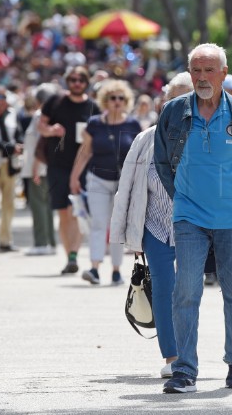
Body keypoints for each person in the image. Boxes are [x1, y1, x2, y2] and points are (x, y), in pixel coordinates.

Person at [154, 43, 232, 394]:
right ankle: (184, 370)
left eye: (208, 70)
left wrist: (228, 192)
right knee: (185, 291)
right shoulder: (172, 112)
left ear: (224, 74)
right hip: (189, 216)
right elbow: (163, 163)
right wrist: (184, 196)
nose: (201, 77)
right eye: (196, 70)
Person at [110, 72, 194, 378]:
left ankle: (188, 353)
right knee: (162, 286)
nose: (182, 104)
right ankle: (172, 357)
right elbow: (128, 187)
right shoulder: (146, 138)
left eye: (189, 98)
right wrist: (128, 234)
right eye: (175, 98)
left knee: (187, 290)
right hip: (155, 225)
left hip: (191, 226)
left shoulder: (204, 137)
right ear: (164, 102)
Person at [70, 79, 142, 285]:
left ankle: (117, 270)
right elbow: (84, 152)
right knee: (99, 224)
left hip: (123, 183)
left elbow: (139, 156)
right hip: (97, 180)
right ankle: (94, 268)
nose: (117, 101)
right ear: (105, 100)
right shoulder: (94, 123)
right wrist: (74, 176)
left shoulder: (133, 124)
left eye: (121, 98)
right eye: (112, 98)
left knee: (117, 225)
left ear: (126, 101)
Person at [37, 66, 100, 274]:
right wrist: (51, 130)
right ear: (67, 81)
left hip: (83, 166)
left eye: (81, 79)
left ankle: (73, 254)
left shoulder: (93, 107)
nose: (77, 83)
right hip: (57, 165)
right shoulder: (55, 102)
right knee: (63, 213)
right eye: (72, 79)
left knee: (76, 211)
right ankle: (69, 255)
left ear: (86, 82)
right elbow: (41, 126)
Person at [0, 84, 24, 253]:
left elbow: (19, 134)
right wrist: (10, 147)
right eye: (0, 97)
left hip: (10, 165)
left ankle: (5, 241)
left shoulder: (12, 115)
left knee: (9, 204)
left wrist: (18, 145)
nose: (3, 101)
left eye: (4, 97)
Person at [22, 83, 58, 256]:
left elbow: (39, 145)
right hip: (45, 167)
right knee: (46, 206)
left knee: (38, 205)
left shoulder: (40, 116)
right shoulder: (52, 116)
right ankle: (49, 242)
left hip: (38, 167)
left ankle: (41, 242)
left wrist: (35, 168)